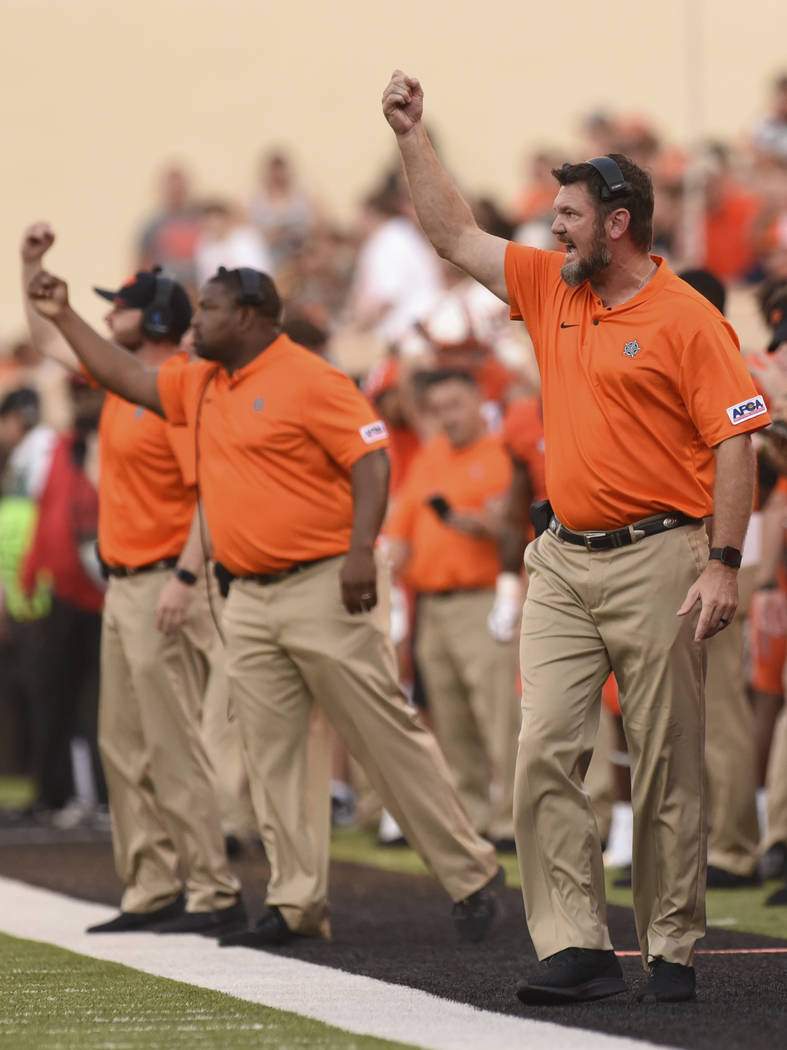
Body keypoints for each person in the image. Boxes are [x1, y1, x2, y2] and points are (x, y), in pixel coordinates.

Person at [381, 69, 771, 1004]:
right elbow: (450, 233)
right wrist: (410, 134)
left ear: (619, 222)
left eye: (567, 214)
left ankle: (671, 945)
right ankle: (577, 942)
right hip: (560, 558)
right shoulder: (548, 287)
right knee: (544, 747)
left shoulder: (689, 320)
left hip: (663, 557)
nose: (552, 227)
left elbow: (735, 442)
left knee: (668, 758)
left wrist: (722, 562)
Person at [25, 261, 503, 950]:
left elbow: (371, 460)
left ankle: (470, 873)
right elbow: (125, 377)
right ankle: (294, 902)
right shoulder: (202, 382)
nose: (195, 325)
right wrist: (64, 313)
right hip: (245, 594)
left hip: (326, 582)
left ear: (248, 316)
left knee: (380, 734)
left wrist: (362, 551)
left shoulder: (309, 378)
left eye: (209, 310)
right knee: (273, 757)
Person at [21, 223, 243, 936]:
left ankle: (210, 887)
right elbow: (52, 342)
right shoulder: (123, 383)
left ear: (150, 319)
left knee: (170, 740)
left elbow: (213, 490)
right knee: (122, 741)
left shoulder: (173, 389)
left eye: (118, 305)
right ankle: (150, 885)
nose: (107, 314)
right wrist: (32, 265)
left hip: (160, 581)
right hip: (124, 583)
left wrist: (184, 573)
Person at [386, 369, 519, 848]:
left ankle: (512, 819)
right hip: (431, 606)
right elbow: (400, 527)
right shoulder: (431, 456)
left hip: (483, 599)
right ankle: (474, 817)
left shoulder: (503, 454)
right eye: (439, 409)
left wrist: (482, 525)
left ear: (480, 401)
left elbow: (517, 528)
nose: (448, 417)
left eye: (455, 405)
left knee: (499, 714)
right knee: (449, 715)